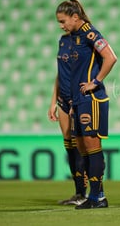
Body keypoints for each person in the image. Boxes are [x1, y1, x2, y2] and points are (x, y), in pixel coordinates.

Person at [55, 0, 117, 209]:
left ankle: (98, 197)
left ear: (75, 16)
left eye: (63, 21)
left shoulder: (90, 33)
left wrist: (95, 82)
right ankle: (93, 196)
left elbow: (111, 57)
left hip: (91, 99)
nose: (61, 25)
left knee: (92, 146)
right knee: (82, 147)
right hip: (78, 100)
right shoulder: (73, 38)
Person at [48, 32, 87, 206]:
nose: (62, 25)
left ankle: (85, 194)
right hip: (62, 99)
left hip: (76, 99)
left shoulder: (84, 40)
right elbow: (60, 73)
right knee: (69, 146)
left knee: (79, 145)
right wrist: (53, 102)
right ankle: (78, 192)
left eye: (64, 21)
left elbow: (83, 72)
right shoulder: (63, 40)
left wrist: (77, 100)